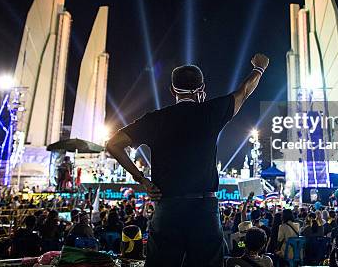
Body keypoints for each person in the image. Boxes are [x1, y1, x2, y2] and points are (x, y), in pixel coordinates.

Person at [106, 54, 269, 267]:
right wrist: (259, 69)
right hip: (204, 210)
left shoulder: (155, 119)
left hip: (168, 208)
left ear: (172, 90)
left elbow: (113, 144)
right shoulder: (210, 112)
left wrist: (141, 179)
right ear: (202, 89)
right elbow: (244, 91)